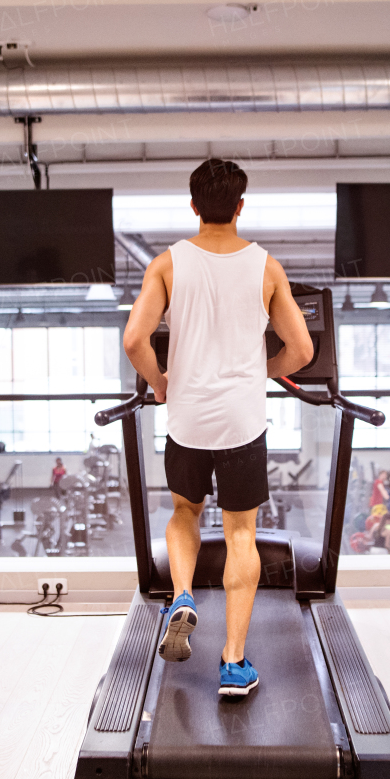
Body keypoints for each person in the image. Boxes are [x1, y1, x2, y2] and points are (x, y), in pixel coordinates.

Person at [122, 157, 313, 698]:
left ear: (193, 205)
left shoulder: (167, 264)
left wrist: (161, 382)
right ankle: (233, 662)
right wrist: (262, 371)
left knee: (185, 512)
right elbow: (301, 350)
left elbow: (135, 340)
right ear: (240, 206)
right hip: (241, 422)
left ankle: (182, 595)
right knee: (241, 533)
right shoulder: (266, 268)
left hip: (187, 418)